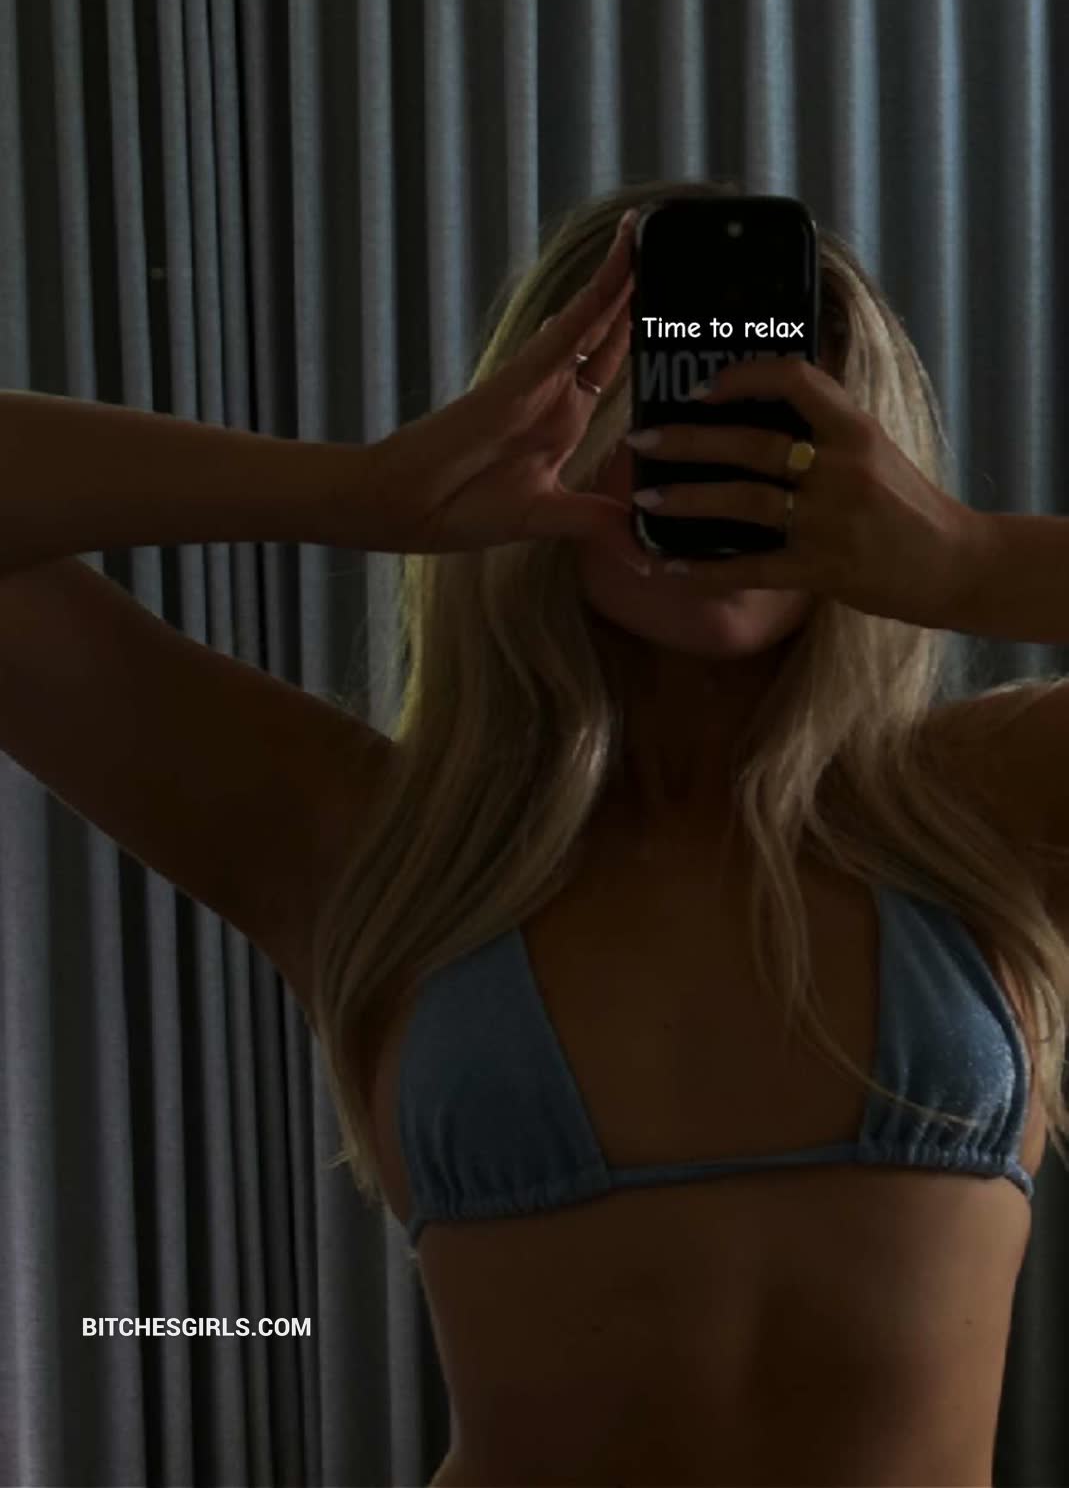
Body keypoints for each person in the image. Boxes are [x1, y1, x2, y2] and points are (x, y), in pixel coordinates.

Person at [3, 174, 1069, 1488]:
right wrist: (358, 493)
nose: (710, 461)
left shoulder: (989, 806)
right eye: (659, 401)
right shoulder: (373, 842)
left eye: (775, 419)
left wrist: (972, 563)